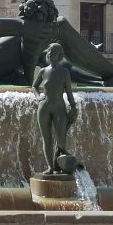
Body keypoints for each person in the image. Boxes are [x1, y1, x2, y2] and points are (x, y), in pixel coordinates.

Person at [32, 43, 78, 175]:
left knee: (61, 138)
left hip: (59, 108)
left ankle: (61, 156)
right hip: (44, 107)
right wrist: (38, 97)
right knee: (47, 138)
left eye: (53, 52)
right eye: (49, 52)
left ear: (59, 55)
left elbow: (69, 92)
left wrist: (73, 106)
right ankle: (51, 167)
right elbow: (34, 86)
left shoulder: (65, 72)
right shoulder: (43, 71)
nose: (50, 54)